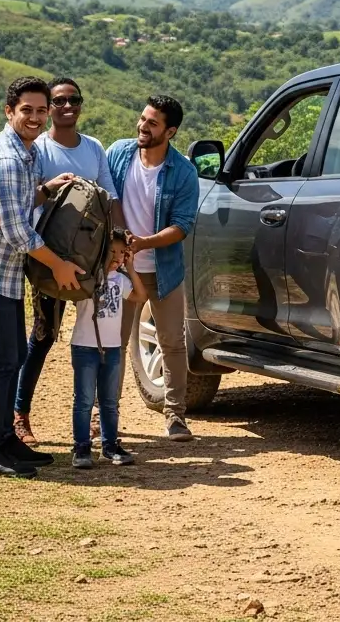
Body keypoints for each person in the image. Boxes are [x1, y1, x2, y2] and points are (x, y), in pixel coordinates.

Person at [0, 76, 83, 479]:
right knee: (0, 360)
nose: (36, 117)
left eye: (42, 110)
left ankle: (5, 440)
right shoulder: (8, 158)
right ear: (9, 112)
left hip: (0, 274)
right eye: (27, 110)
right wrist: (58, 264)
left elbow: (19, 204)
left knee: (11, 357)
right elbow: (19, 232)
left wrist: (44, 190)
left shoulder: (25, 154)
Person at [13, 76, 121, 447]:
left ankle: (94, 416)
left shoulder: (93, 148)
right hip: (49, 259)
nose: (67, 106)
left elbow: (110, 200)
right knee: (42, 338)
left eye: (74, 98)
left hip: (92, 261)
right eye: (58, 101)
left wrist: (117, 242)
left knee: (95, 337)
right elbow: (27, 201)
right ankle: (19, 414)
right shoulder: (38, 150)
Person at [107, 95, 199, 442]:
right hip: (119, 269)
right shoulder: (118, 154)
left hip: (163, 268)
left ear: (170, 131)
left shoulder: (183, 172)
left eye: (152, 123)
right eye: (142, 119)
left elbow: (182, 225)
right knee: (113, 344)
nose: (142, 127)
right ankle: (107, 417)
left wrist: (144, 242)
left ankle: (175, 417)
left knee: (172, 343)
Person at [70, 227, 142, 469]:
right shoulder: (86, 277)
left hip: (112, 348)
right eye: (111, 251)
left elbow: (141, 296)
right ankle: (81, 447)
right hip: (84, 346)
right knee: (84, 400)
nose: (116, 256)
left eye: (122, 252)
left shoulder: (121, 280)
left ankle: (109, 446)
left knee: (109, 401)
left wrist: (130, 267)